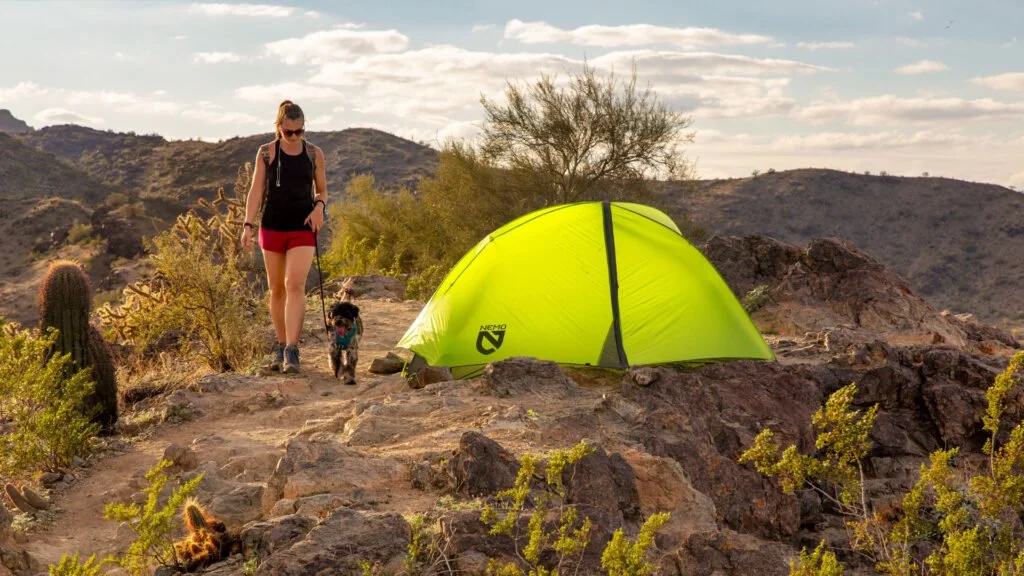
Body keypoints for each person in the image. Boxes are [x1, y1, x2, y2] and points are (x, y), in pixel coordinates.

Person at [240, 100, 327, 374]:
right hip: (273, 226)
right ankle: (279, 345)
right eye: (289, 132)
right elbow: (256, 192)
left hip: (302, 226)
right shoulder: (266, 153)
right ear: (279, 128)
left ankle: (292, 349)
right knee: (276, 288)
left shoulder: (314, 153)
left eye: (299, 131)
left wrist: (319, 209)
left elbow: (322, 191)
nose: (294, 137)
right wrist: (247, 224)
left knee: (294, 284)